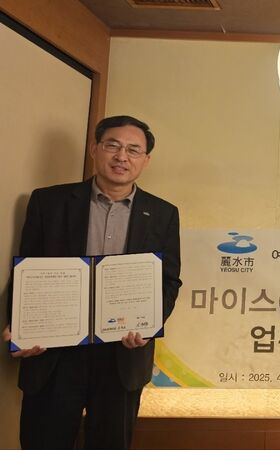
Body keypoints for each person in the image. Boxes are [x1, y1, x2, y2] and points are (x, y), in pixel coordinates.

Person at [2, 115, 182, 450]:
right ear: (94, 149)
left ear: (145, 160)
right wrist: (20, 327)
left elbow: (169, 280)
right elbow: (27, 272)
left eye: (133, 150)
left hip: (122, 355)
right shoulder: (48, 202)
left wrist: (149, 324)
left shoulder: (163, 214)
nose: (121, 156)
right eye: (112, 145)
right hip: (54, 354)